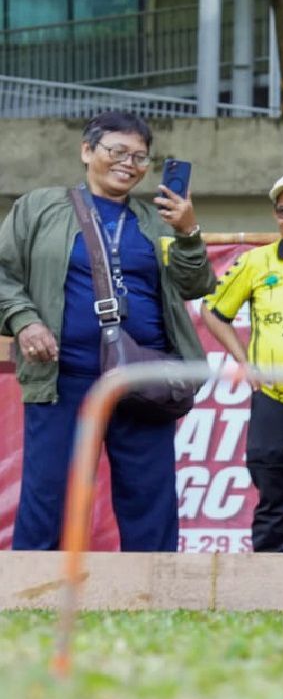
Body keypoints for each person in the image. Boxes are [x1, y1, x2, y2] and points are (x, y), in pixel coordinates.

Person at [0, 111, 214, 551]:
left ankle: (156, 589)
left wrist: (188, 232)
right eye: (117, 151)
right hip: (62, 377)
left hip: (144, 380)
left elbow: (195, 285)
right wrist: (25, 320)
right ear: (87, 150)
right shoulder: (40, 207)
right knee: (49, 498)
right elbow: (3, 273)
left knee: (149, 499)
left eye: (139, 157)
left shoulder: (155, 220)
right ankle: (32, 589)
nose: (128, 164)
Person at [203, 169, 283, 553]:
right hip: (275, 400)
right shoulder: (256, 262)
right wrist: (244, 362)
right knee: (273, 503)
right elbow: (213, 312)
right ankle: (264, 583)